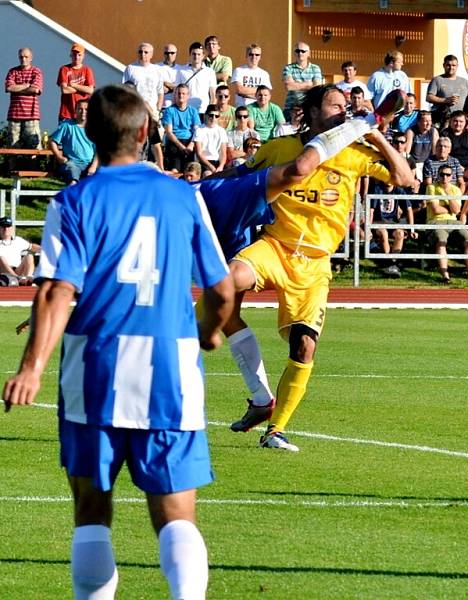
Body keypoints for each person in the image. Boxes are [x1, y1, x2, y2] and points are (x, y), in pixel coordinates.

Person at [2, 84, 234, 600]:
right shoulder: (183, 195)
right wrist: (208, 331)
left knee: (91, 509)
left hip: (95, 366)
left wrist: (32, 368)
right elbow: (221, 289)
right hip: (170, 368)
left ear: (88, 135)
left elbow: (59, 289)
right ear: (146, 133)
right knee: (175, 512)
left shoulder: (75, 201)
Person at [219, 86, 412, 450]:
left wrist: (375, 134)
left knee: (304, 346)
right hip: (275, 245)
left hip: (316, 261)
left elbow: (404, 178)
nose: (343, 110)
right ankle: (260, 396)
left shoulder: (355, 151)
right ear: (311, 111)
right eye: (334, 104)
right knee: (227, 283)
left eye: (346, 106)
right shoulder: (279, 148)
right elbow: (237, 176)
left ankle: (275, 429)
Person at [426, 165, 468, 283]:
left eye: (447, 175)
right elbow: (436, 210)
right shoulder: (431, 187)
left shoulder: (455, 190)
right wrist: (450, 208)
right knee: (441, 241)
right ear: (437, 175)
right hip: (436, 221)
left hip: (454, 221)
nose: (444, 177)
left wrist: (448, 194)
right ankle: (445, 275)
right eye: (442, 174)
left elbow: (456, 211)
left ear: (451, 176)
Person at [49, 98, 97, 184]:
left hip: (90, 164)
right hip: (72, 163)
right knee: (73, 178)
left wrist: (93, 166)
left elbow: (99, 152)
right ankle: (70, 196)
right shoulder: (67, 125)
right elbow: (52, 141)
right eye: (80, 109)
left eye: (86, 109)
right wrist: (59, 157)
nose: (83, 112)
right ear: (75, 111)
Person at [5, 47, 44, 149]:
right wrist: (27, 85)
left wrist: (17, 89)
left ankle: (33, 166)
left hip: (31, 115)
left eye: (26, 57)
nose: (23, 59)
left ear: (31, 58)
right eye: (21, 57)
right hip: (14, 115)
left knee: (33, 147)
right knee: (12, 147)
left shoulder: (36, 71)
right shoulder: (12, 72)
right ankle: (12, 166)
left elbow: (35, 90)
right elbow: (9, 87)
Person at [161, 83, 200, 174]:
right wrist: (181, 147)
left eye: (183, 93)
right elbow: (169, 132)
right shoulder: (169, 110)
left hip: (190, 141)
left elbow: (197, 131)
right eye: (178, 93)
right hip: (175, 142)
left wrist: (191, 145)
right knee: (175, 170)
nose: (180, 96)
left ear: (188, 96)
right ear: (175, 95)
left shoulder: (193, 111)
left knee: (191, 171)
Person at [427, 55, 468, 129]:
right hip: (442, 120)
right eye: (448, 65)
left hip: (461, 121)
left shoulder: (464, 82)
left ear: (457, 66)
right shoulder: (437, 80)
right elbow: (429, 97)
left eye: (454, 65)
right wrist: (445, 100)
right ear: (444, 65)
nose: (451, 67)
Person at [443, 111, 468, 190]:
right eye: (455, 121)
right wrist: (458, 166)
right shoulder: (445, 134)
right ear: (450, 121)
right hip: (452, 166)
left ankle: (465, 194)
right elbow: (444, 152)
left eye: (461, 121)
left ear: (465, 123)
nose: (458, 124)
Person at [282, 41, 323, 117]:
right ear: (294, 53)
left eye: (303, 51)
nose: (300, 53)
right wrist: (308, 84)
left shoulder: (315, 68)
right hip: (291, 108)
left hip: (309, 107)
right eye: (297, 51)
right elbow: (289, 86)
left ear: (308, 53)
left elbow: (317, 88)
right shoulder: (288, 68)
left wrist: (296, 84)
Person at [57, 43, 95, 122]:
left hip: (82, 115)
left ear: (83, 56)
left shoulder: (87, 70)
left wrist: (74, 85)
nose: (76, 57)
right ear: (71, 55)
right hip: (66, 114)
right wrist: (83, 88)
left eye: (79, 55)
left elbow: (90, 90)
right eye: (74, 54)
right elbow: (64, 90)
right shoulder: (64, 69)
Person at [122, 42, 163, 115]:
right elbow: (125, 90)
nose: (142, 54)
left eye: (146, 52)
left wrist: (158, 110)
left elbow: (160, 92)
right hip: (136, 110)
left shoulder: (157, 70)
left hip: (153, 111)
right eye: (140, 52)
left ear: (151, 55)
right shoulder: (130, 68)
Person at [176, 42, 217, 114]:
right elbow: (176, 92)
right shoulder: (181, 71)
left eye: (199, 54)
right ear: (190, 55)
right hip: (186, 111)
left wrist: (210, 111)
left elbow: (213, 95)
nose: (196, 57)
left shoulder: (210, 72)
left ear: (203, 55)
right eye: (194, 54)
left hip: (203, 111)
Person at [0, 215, 39, 285]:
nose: (6, 229)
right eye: (3, 227)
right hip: (2, 272)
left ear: (11, 228)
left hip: (18, 270)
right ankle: (18, 279)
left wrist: (48, 251)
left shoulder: (18, 240)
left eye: (8, 226)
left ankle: (28, 279)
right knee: (1, 258)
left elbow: (32, 246)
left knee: (29, 256)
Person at [193, 107, 228, 176]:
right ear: (206, 115)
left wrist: (221, 166)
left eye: (216, 116)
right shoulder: (199, 130)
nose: (213, 118)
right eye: (211, 115)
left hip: (217, 162)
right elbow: (199, 153)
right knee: (208, 175)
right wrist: (211, 167)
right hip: (203, 162)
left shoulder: (222, 131)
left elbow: (223, 153)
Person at [157, 44, 179, 108]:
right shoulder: (156, 67)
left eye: (172, 53)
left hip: (178, 106)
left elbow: (183, 87)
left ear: (176, 54)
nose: (169, 55)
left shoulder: (181, 69)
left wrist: (167, 84)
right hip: (162, 106)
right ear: (164, 54)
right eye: (167, 53)